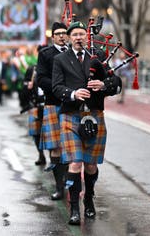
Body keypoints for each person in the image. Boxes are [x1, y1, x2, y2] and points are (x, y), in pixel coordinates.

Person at [52, 21, 121, 225]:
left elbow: (116, 82)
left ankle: (89, 198)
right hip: (71, 115)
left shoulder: (97, 56)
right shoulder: (60, 59)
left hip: (94, 114)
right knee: (75, 162)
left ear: (86, 36)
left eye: (82, 33)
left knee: (90, 165)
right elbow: (56, 87)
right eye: (75, 34)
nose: (79, 37)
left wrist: (103, 84)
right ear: (70, 38)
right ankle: (74, 208)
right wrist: (72, 93)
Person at [36, 22, 70, 200]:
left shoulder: (74, 53)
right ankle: (59, 187)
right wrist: (61, 89)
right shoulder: (45, 54)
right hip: (53, 103)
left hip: (72, 106)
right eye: (58, 34)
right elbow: (40, 79)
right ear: (53, 36)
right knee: (56, 147)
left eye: (65, 33)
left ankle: (68, 181)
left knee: (71, 146)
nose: (62, 36)